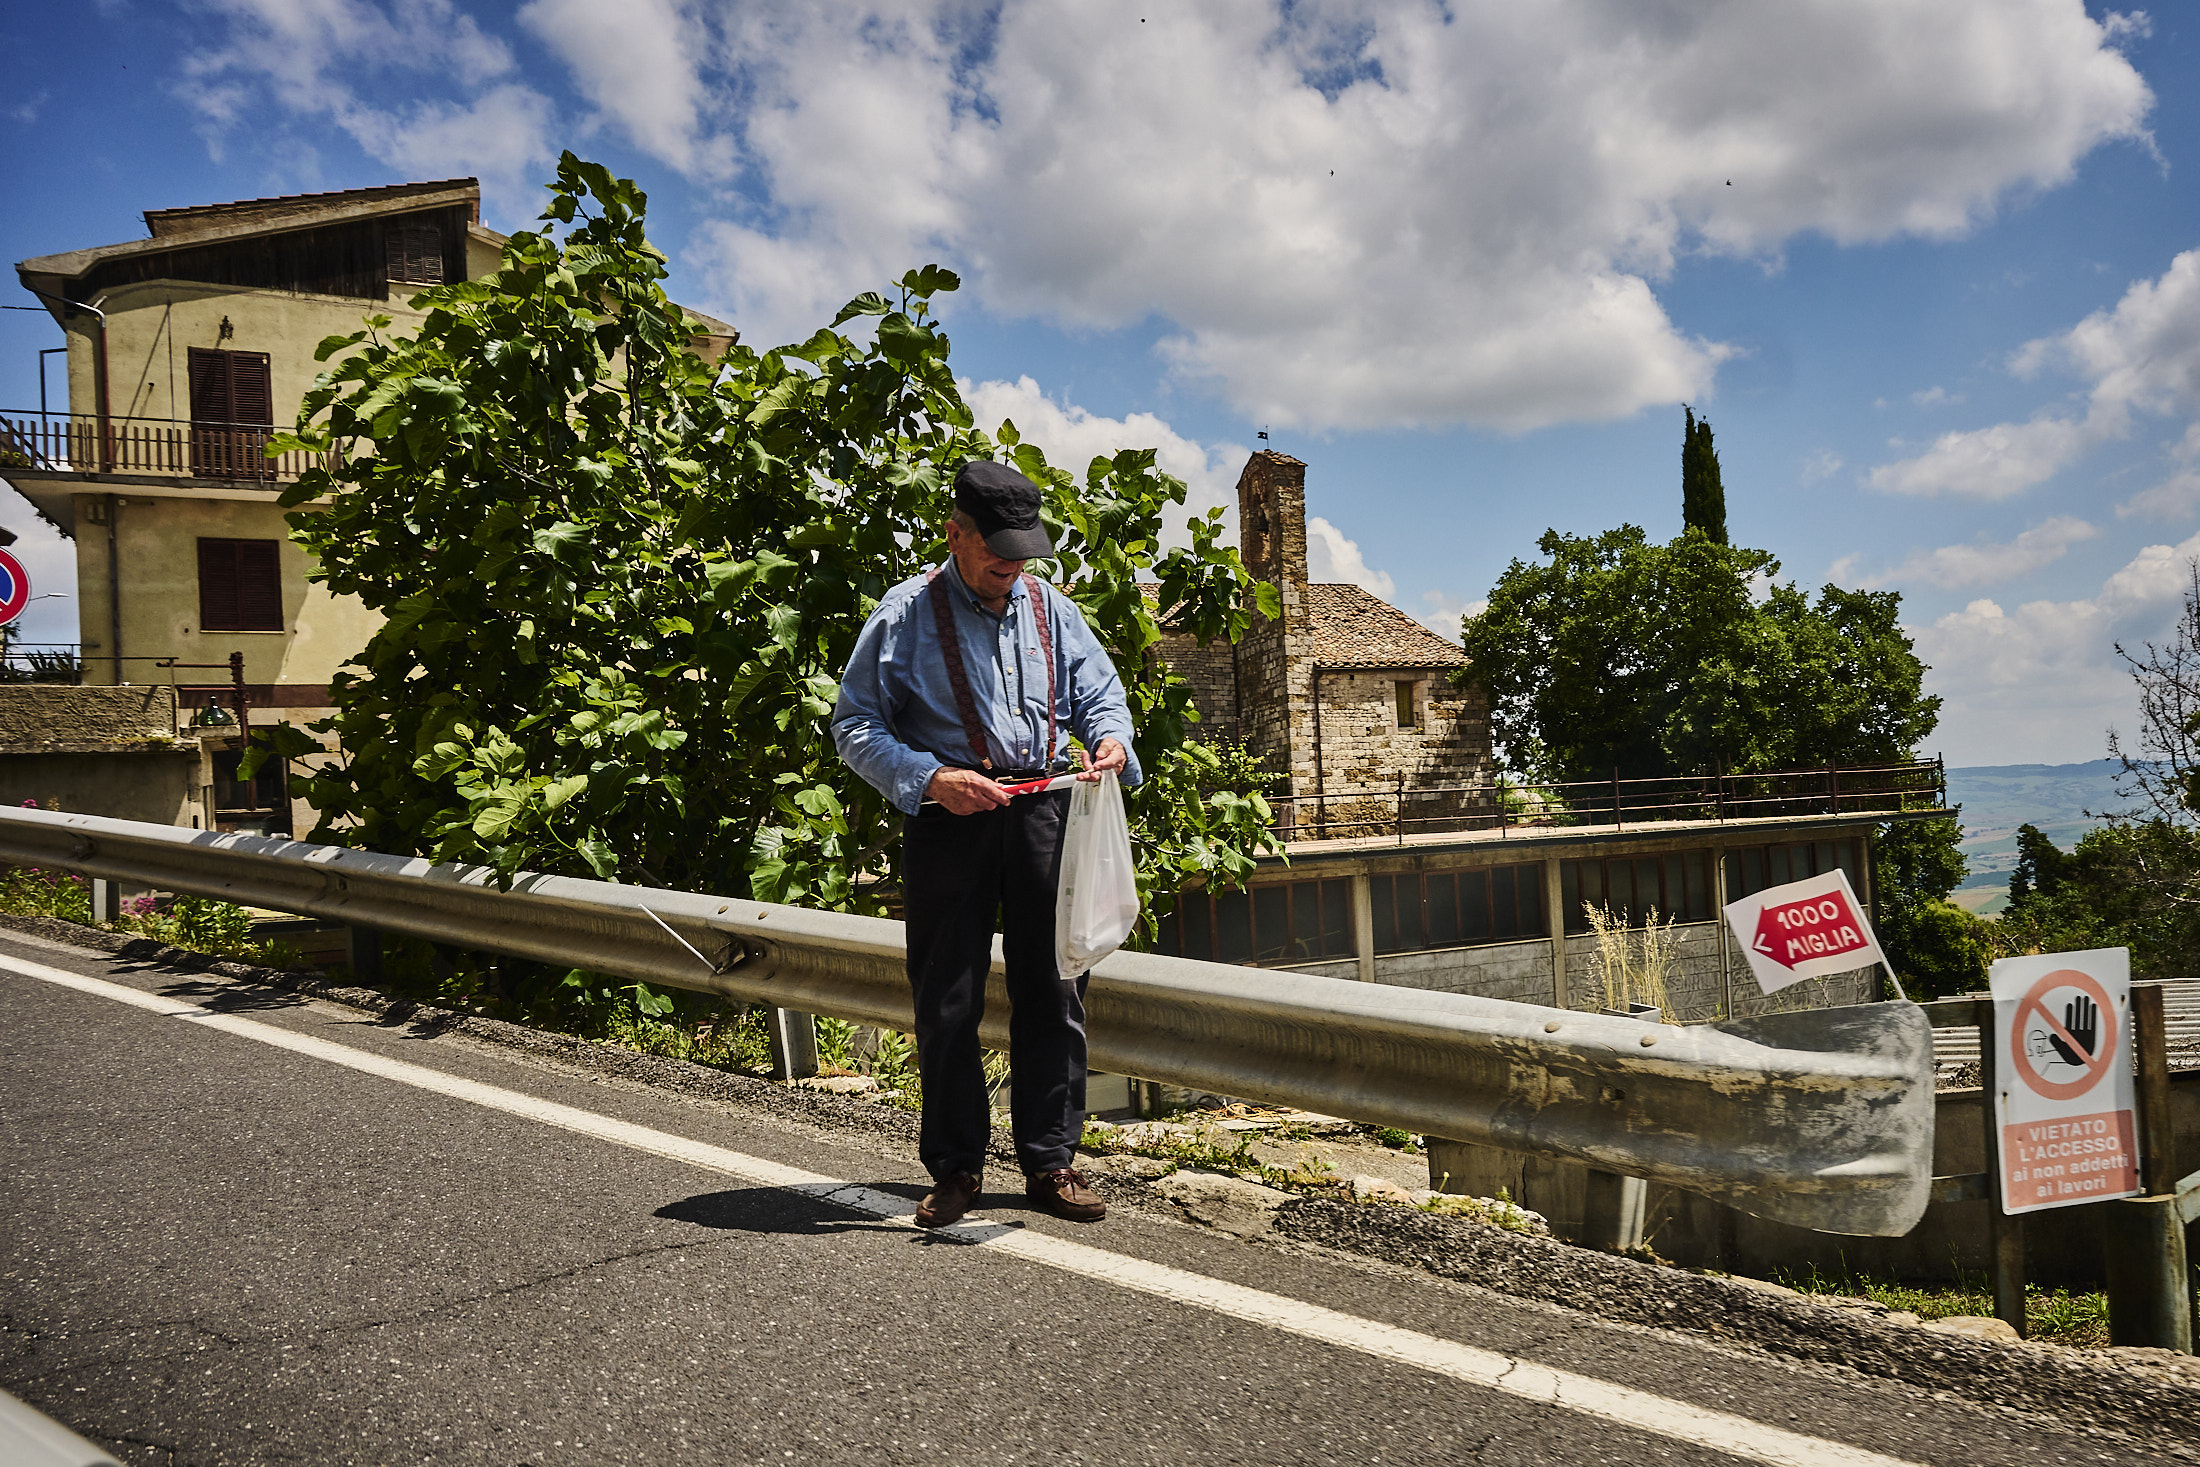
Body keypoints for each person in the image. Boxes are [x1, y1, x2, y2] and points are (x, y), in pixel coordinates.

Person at [832, 460, 1139, 1228]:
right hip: (950, 819)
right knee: (948, 999)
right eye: (998, 548)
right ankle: (958, 1168)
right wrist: (931, 778)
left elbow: (1103, 695)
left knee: (1057, 989)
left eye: (1023, 550)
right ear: (954, 534)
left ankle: (1051, 1160)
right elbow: (855, 724)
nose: (1012, 564)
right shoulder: (903, 613)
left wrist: (1107, 737)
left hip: (1043, 812)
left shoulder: (1052, 609)